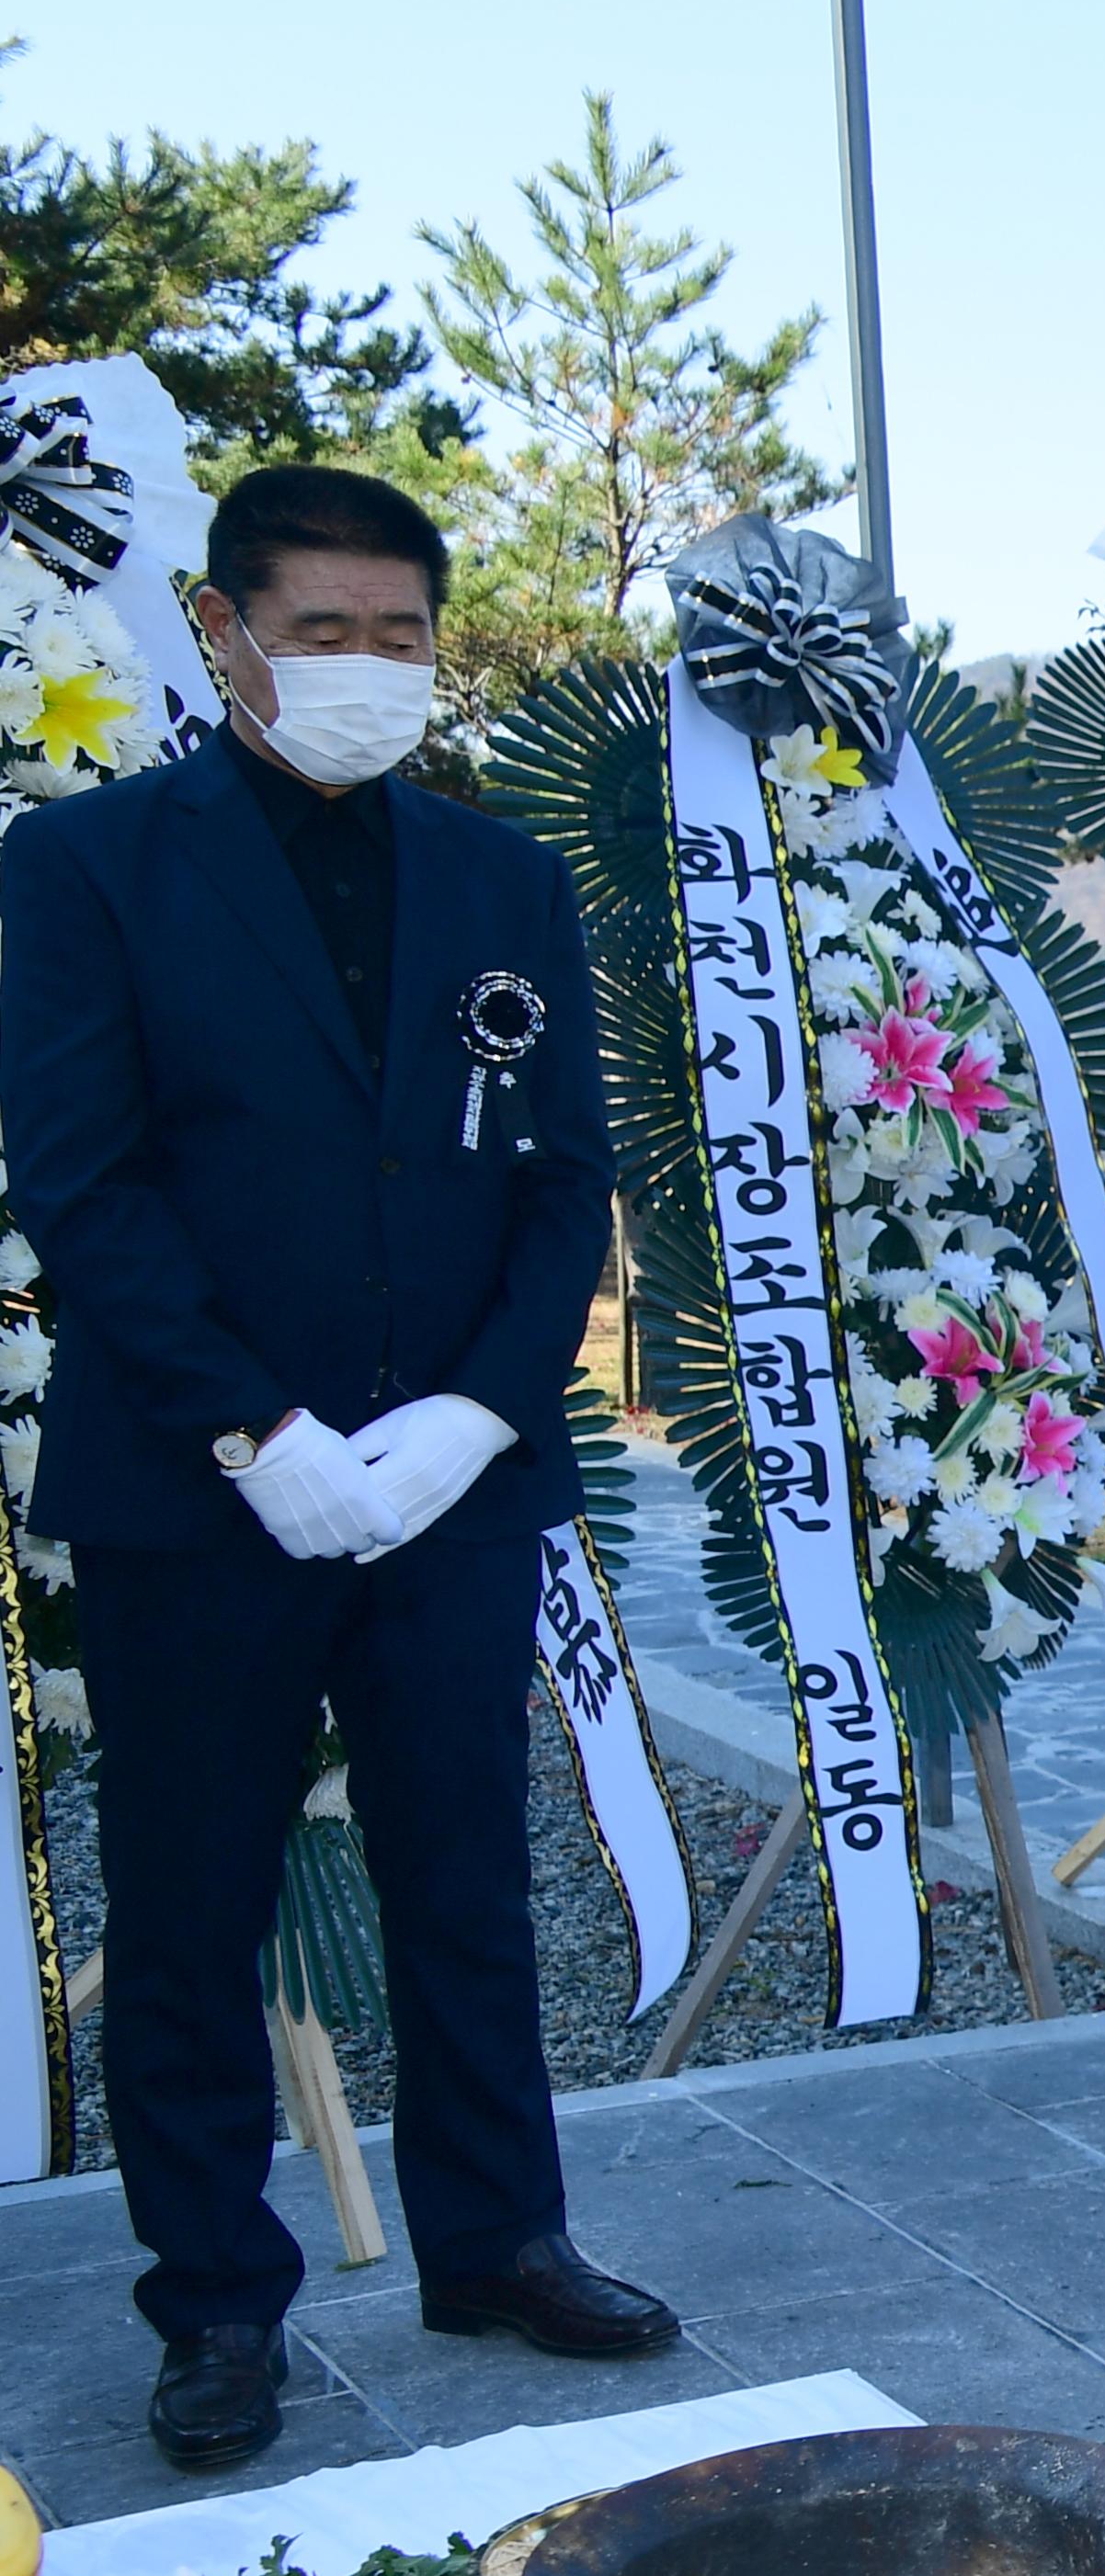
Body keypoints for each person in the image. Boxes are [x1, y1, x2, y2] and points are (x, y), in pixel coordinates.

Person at [0, 460, 667, 2470]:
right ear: (223, 632)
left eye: (401, 637)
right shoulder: (92, 865)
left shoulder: (499, 877)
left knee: (465, 1867)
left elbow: (563, 1182)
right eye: (321, 633)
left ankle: (499, 2235)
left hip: (449, 1484)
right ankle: (215, 2299)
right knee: (190, 1902)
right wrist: (253, 1427)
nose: (366, 669)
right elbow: (82, 1184)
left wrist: (479, 1406)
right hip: (202, 1489)